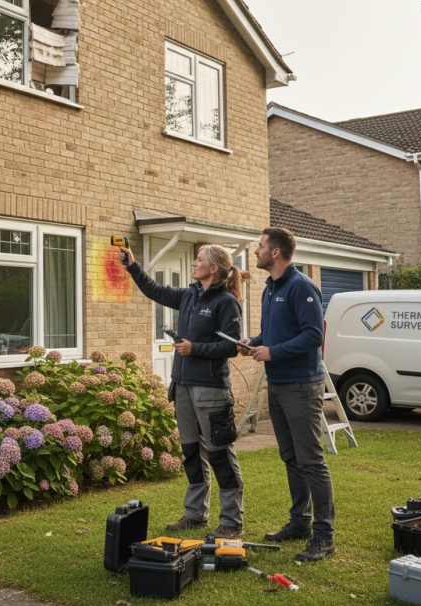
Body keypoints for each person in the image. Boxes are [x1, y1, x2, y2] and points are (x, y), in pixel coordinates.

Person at [120, 243, 246, 538]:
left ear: (213, 268)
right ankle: (195, 513)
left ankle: (231, 520)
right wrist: (133, 266)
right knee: (191, 452)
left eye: (199, 259)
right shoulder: (190, 294)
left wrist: (194, 348)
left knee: (219, 454)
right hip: (183, 387)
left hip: (211, 390)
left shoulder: (226, 302)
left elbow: (232, 346)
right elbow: (156, 291)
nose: (193, 263)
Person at [239, 226, 336, 561]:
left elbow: (313, 336)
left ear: (275, 252)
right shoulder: (270, 288)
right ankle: (300, 523)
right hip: (278, 384)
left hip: (301, 385)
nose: (256, 251)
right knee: (291, 457)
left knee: (311, 460)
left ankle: (324, 536)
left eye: (260, 246)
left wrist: (272, 352)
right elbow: (273, 334)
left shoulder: (301, 286)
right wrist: (253, 342)